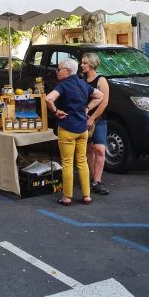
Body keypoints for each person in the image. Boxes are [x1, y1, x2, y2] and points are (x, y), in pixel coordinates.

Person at [46, 58, 103, 206]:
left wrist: (56, 111)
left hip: (67, 128)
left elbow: (48, 99)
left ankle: (67, 197)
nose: (56, 72)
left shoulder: (63, 85)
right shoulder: (83, 83)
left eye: (59, 69)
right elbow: (100, 96)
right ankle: (87, 196)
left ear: (68, 71)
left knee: (67, 163)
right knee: (82, 161)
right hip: (82, 129)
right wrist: (87, 108)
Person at [81, 53, 110, 195]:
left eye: (84, 63)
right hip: (83, 118)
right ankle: (93, 177)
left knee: (99, 149)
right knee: (88, 150)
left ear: (91, 64)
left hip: (98, 119)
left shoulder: (101, 80)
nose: (82, 65)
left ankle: (98, 181)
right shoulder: (81, 79)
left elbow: (104, 102)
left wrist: (92, 118)